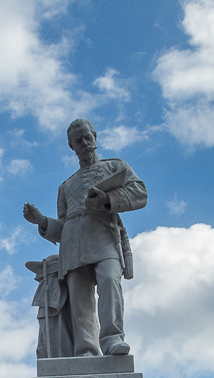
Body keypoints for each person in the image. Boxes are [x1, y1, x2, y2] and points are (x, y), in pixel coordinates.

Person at [23, 118, 147, 358]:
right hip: (73, 244)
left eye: (87, 137)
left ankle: (112, 339)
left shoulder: (116, 167)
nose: (85, 143)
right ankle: (86, 349)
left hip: (104, 236)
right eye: (78, 140)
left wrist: (106, 199)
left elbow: (140, 193)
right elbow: (64, 227)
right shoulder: (66, 186)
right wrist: (42, 221)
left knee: (110, 281)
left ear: (95, 136)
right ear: (72, 146)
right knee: (81, 299)